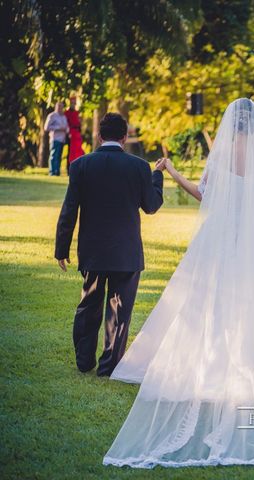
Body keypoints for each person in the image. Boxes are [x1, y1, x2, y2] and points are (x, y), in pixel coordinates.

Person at [103, 98, 254, 468]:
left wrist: (171, 173)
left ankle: (211, 357)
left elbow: (204, 195)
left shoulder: (218, 155)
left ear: (231, 124)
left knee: (205, 296)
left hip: (220, 235)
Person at [54, 112, 164, 377]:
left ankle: (84, 361)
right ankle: (109, 366)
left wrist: (61, 249)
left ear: (99, 136)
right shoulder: (139, 167)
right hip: (126, 252)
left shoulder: (81, 165)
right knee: (120, 308)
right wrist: (157, 175)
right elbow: (151, 206)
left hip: (93, 249)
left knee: (88, 303)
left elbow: (69, 210)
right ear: (125, 137)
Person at [44, 101, 69, 176]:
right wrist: (58, 128)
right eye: (59, 106)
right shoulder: (52, 116)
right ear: (56, 107)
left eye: (61, 107)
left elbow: (67, 127)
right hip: (54, 139)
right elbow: (46, 127)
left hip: (62, 139)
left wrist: (66, 130)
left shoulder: (64, 117)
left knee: (59, 156)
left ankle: (57, 171)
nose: (60, 108)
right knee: (53, 155)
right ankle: (52, 172)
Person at [64, 95, 85, 168]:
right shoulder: (66, 113)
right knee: (71, 151)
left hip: (77, 133)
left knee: (78, 150)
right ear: (70, 103)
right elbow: (66, 124)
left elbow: (79, 124)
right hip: (71, 133)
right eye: (72, 102)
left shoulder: (77, 113)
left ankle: (78, 165)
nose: (74, 104)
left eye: (74, 103)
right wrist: (68, 133)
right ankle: (69, 167)